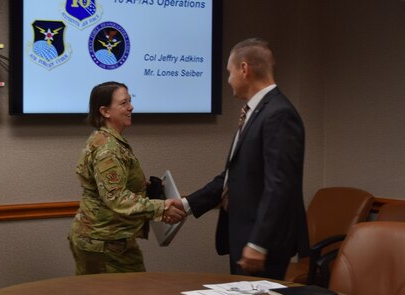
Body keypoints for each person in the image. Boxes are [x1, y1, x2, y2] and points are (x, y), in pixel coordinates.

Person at [169, 38, 310, 280]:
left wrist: (258, 243)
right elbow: (234, 176)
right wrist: (187, 204)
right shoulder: (255, 112)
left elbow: (280, 185)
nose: (228, 80)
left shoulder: (279, 114)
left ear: (244, 69)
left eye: (229, 72)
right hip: (244, 235)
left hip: (263, 243)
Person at [69, 81, 185, 275]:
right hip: (106, 244)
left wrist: (141, 185)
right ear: (105, 111)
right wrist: (162, 206)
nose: (131, 107)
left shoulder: (107, 140)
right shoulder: (109, 149)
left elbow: (107, 186)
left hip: (103, 240)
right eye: (123, 103)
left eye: (130, 101)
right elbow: (116, 197)